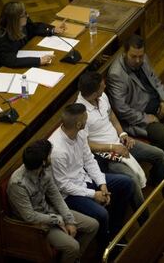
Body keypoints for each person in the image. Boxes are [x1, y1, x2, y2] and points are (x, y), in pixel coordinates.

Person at [76, 71, 164, 220]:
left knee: (158, 154)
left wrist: (122, 135)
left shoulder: (102, 96)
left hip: (120, 142)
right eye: (102, 86)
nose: (105, 86)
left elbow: (112, 115)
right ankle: (145, 220)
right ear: (94, 93)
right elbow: (85, 145)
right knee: (131, 180)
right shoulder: (80, 113)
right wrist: (113, 148)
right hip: (107, 156)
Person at [48, 103, 133, 244]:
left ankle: (115, 232)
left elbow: (89, 160)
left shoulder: (80, 133)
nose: (87, 121)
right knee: (102, 214)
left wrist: (102, 184)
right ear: (79, 124)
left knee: (126, 183)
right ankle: (105, 247)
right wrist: (94, 194)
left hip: (84, 178)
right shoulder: (57, 150)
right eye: (85, 119)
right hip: (70, 194)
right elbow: (63, 186)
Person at [7, 139, 98, 263]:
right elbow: (29, 217)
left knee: (93, 225)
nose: (51, 156)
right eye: (49, 155)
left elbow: (56, 196)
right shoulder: (17, 184)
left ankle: (75, 259)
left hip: (50, 212)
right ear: (43, 161)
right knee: (73, 247)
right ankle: (73, 256)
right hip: (36, 226)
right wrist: (57, 220)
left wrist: (69, 220)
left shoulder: (45, 170)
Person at [106, 34, 164, 160]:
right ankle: (161, 168)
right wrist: (145, 118)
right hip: (139, 116)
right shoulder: (116, 74)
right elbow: (121, 109)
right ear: (125, 53)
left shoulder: (143, 58)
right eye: (133, 57)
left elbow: (155, 80)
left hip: (156, 103)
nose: (138, 60)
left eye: (140, 56)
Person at [0, 1, 65, 72]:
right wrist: (39, 60)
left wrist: (52, 30)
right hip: (1, 70)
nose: (27, 15)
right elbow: (11, 61)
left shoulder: (22, 23)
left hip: (21, 57)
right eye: (24, 14)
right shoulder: (0, 39)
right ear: (15, 20)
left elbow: (34, 28)